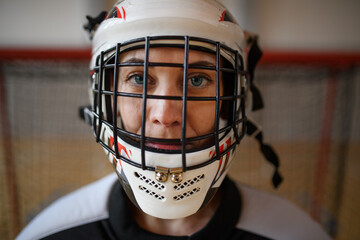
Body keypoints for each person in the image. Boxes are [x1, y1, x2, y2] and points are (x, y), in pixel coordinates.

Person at [16, 0, 332, 239]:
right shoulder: (51, 233)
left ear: (233, 99)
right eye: (139, 79)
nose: (165, 116)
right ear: (105, 97)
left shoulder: (294, 233)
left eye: (197, 80)